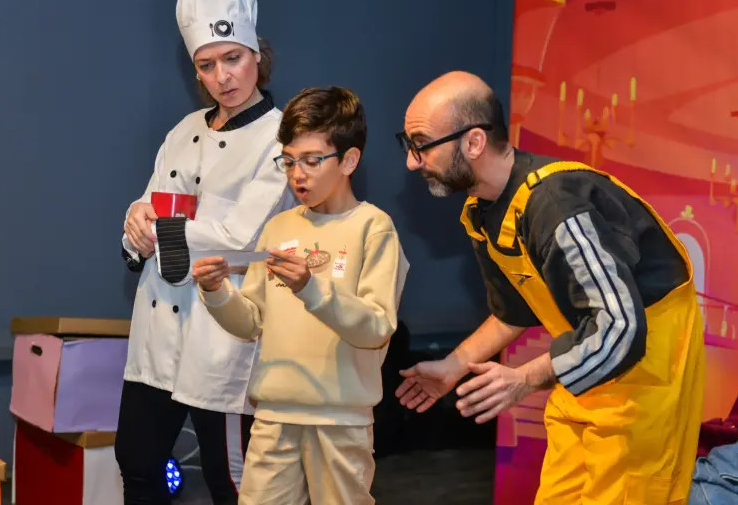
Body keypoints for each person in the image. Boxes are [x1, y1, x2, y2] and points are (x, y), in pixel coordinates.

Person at [394, 71, 705, 504]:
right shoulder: (483, 210)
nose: (412, 162)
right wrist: (454, 365)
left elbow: (619, 328)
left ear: (474, 142)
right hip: (585, 374)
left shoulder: (556, 206)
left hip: (645, 381)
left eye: (421, 144)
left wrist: (524, 378)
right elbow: (514, 311)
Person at [116, 0, 296, 505]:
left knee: (230, 481)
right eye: (207, 65)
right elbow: (150, 204)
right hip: (156, 333)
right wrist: (133, 225)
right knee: (137, 463)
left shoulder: (282, 139)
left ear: (257, 54)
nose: (223, 76)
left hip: (224, 335)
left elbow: (242, 238)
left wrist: (157, 227)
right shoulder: (182, 130)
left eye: (233, 58)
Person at [192, 86, 410, 505]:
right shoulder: (279, 227)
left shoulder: (373, 227)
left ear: (349, 160)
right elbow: (251, 321)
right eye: (289, 161)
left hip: (340, 418)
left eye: (311, 160)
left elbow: (376, 327)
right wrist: (216, 291)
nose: (297, 174)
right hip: (273, 413)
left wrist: (311, 287)